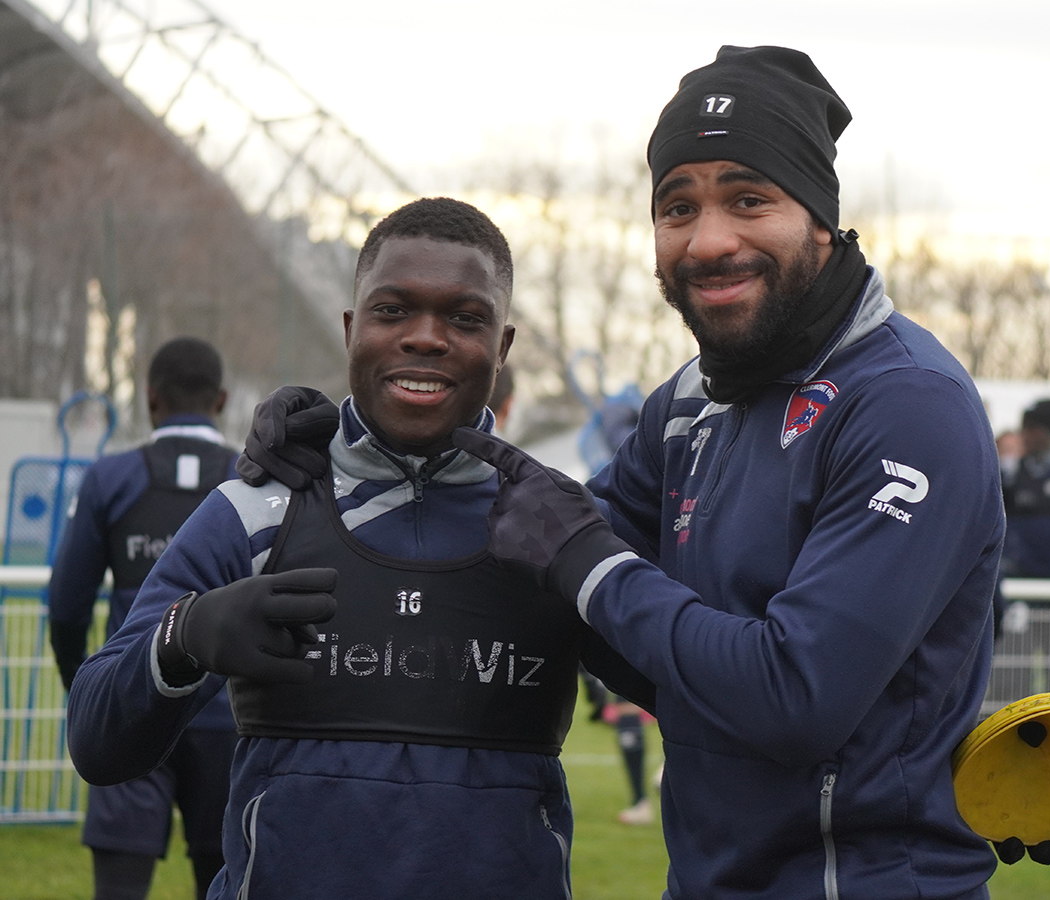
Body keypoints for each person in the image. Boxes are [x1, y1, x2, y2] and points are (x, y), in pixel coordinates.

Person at [241, 48, 1050, 888]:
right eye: (677, 207)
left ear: (821, 219)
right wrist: (358, 448)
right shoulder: (688, 402)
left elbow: (795, 698)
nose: (708, 240)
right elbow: (545, 565)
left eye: (748, 199)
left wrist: (593, 572)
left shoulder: (907, 403)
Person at [65, 198, 651, 899]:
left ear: (503, 346)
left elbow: (714, 704)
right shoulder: (260, 506)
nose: (425, 337)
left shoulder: (555, 527)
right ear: (352, 329)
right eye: (393, 309)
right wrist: (183, 634)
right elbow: (97, 742)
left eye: (465, 318)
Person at [48, 337, 238, 900]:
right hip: (228, 720)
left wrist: (86, 694)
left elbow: (66, 606)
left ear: (150, 399)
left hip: (132, 706)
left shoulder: (110, 477)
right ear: (221, 399)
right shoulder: (249, 478)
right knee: (228, 881)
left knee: (120, 889)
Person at [994, 398, 1050, 699]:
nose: (1026, 435)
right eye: (1024, 428)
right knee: (1012, 671)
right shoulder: (1011, 476)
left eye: (1033, 429)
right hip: (1019, 587)